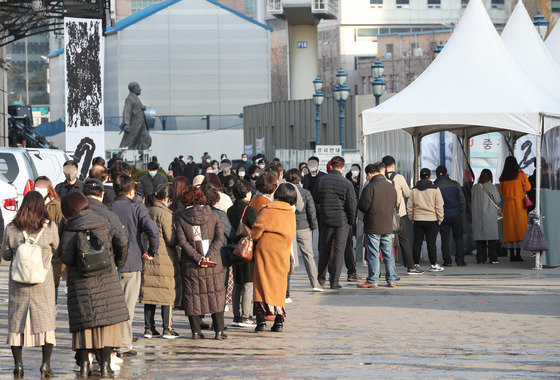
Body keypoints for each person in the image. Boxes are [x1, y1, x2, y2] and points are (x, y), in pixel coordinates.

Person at [60, 192, 129, 377]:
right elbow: (122, 240)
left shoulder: (70, 228)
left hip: (81, 284)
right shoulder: (103, 222)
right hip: (106, 279)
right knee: (106, 322)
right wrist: (117, 264)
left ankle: (83, 366)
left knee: (83, 325)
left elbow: (66, 257)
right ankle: (105, 366)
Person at [2, 191, 59, 377]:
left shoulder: (11, 228)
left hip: (18, 283)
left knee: (17, 323)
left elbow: (6, 255)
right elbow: (56, 248)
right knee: (46, 323)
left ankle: (18, 365)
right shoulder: (50, 227)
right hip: (43, 283)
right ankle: (45, 365)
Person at [111, 175, 159, 356]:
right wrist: (151, 252)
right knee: (127, 306)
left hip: (110, 264)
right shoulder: (137, 208)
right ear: (131, 191)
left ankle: (110, 343)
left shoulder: (108, 208)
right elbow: (153, 230)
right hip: (131, 263)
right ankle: (123, 344)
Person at [176, 186, 226, 340]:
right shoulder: (213, 216)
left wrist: (198, 258)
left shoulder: (181, 218)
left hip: (192, 265)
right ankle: (218, 331)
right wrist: (209, 256)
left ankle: (196, 331)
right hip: (212, 262)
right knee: (215, 294)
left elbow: (182, 242)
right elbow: (219, 238)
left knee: (193, 296)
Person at [252, 183, 297, 332]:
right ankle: (279, 322)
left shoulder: (268, 209)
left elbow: (258, 228)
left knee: (261, 284)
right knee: (279, 285)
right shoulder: (291, 212)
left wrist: (253, 238)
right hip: (282, 251)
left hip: (265, 250)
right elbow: (291, 233)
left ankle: (261, 322)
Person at [141, 184, 180, 339]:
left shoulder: (147, 211)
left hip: (148, 256)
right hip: (165, 259)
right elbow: (171, 239)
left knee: (149, 293)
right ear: (167, 198)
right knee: (167, 294)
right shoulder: (166, 215)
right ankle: (167, 328)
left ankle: (149, 328)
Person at [315, 156, 357, 289]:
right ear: (343, 168)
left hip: (325, 220)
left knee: (324, 250)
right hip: (342, 221)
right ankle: (334, 282)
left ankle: (321, 280)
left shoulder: (321, 180)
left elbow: (315, 199)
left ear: (331, 166)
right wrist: (350, 221)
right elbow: (352, 205)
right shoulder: (347, 183)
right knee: (339, 251)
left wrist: (321, 215)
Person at [357, 163, 398, 288]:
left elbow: (363, 206)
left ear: (369, 174)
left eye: (367, 176)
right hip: (387, 224)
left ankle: (373, 280)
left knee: (373, 253)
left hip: (373, 225)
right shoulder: (391, 186)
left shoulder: (370, 187)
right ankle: (391, 279)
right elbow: (395, 204)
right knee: (388, 253)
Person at [382, 155, 423, 275]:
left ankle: (382, 268)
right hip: (399, 214)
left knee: (384, 240)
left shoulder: (380, 178)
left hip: (384, 214)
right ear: (393, 164)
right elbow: (407, 193)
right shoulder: (399, 177)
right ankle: (410, 266)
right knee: (403, 240)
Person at [285, 169, 322, 292]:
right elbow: (311, 211)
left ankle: (286, 287)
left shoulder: (284, 192)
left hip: (288, 227)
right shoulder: (305, 192)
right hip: (303, 227)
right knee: (308, 255)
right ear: (300, 179)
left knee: (287, 256)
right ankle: (315, 283)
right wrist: (313, 226)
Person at [227, 180, 258, 327]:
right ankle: (246, 316)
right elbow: (255, 229)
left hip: (235, 248)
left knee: (237, 284)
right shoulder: (249, 210)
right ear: (246, 193)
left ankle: (236, 316)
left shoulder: (231, 209)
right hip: (247, 249)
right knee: (248, 283)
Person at [408, 168, 445, 272]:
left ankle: (415, 264)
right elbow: (439, 205)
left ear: (420, 177)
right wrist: (440, 218)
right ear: (430, 177)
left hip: (418, 219)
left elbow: (410, 206)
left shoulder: (414, 190)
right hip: (432, 219)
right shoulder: (435, 189)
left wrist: (412, 217)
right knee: (431, 243)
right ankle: (433, 264)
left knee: (417, 243)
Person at [34, 176, 65, 301]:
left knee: (52, 283)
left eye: (42, 186)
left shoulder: (56, 205)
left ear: (49, 188)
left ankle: (54, 307)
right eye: (37, 186)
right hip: (34, 253)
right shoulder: (31, 205)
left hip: (52, 253)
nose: (39, 188)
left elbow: (61, 228)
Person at [499, 156, 531, 262]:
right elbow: (528, 187)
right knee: (519, 228)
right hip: (519, 206)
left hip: (508, 206)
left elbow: (502, 192)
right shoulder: (521, 175)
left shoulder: (503, 177)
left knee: (510, 230)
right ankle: (518, 254)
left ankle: (512, 254)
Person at [434, 166, 467, 267]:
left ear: (436, 174)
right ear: (446, 173)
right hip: (456, 215)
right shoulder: (455, 184)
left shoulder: (435, 186)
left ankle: (447, 261)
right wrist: (460, 210)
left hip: (443, 216)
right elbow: (462, 200)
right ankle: (460, 260)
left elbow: (434, 202)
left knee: (445, 239)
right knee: (459, 238)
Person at [472, 169, 502, 264]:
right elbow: (497, 200)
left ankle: (480, 259)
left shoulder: (475, 187)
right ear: (490, 177)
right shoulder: (491, 187)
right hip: (489, 215)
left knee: (480, 238)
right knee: (491, 238)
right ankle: (493, 258)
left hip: (477, 215)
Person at [344, 164, 361, 282]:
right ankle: (351, 272)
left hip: (355, 213)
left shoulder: (361, 180)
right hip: (348, 215)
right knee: (347, 245)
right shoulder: (346, 180)